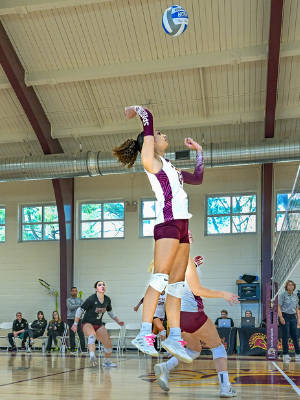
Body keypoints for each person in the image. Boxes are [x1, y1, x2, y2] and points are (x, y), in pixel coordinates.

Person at [113, 104, 205, 361]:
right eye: (159, 134)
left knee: (176, 285)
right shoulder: (150, 161)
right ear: (150, 143)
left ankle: (174, 336)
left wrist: (199, 152)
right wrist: (137, 110)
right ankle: (144, 333)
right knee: (161, 279)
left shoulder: (171, 168)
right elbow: (149, 119)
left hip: (183, 225)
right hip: (168, 224)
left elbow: (197, 178)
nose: (164, 136)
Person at [153, 256, 239, 397]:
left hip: (176, 316)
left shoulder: (169, 259)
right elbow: (197, 290)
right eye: (187, 232)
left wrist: (195, 265)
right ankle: (225, 387)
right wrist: (222, 294)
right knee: (218, 347)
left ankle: (165, 367)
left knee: (194, 350)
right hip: (190, 313)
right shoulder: (185, 259)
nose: (190, 234)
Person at [72, 280, 124, 368]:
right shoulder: (91, 299)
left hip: (98, 324)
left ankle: (106, 362)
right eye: (100, 285)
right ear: (96, 289)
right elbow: (79, 310)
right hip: (87, 323)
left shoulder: (107, 300)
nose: (102, 286)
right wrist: (75, 324)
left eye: (104, 285)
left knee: (108, 345)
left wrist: (118, 321)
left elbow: (110, 312)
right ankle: (92, 355)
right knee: (92, 335)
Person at [276, 280, 300, 362]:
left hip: (293, 316)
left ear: (294, 287)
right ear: (286, 287)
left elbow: (297, 307)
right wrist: (281, 317)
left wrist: (298, 317)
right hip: (285, 315)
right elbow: (278, 307)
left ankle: (298, 353)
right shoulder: (283, 295)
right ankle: (285, 354)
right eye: (289, 285)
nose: (290, 286)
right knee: (285, 335)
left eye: (292, 285)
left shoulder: (295, 296)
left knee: (295, 335)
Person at [65, 287, 86, 354]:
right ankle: (73, 349)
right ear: (71, 292)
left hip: (79, 318)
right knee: (72, 334)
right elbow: (69, 307)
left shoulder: (80, 300)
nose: (74, 292)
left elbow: (83, 308)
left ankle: (83, 349)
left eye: (75, 291)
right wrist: (78, 306)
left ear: (77, 292)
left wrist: (75, 306)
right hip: (71, 318)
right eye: (73, 291)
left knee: (81, 334)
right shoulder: (68, 300)